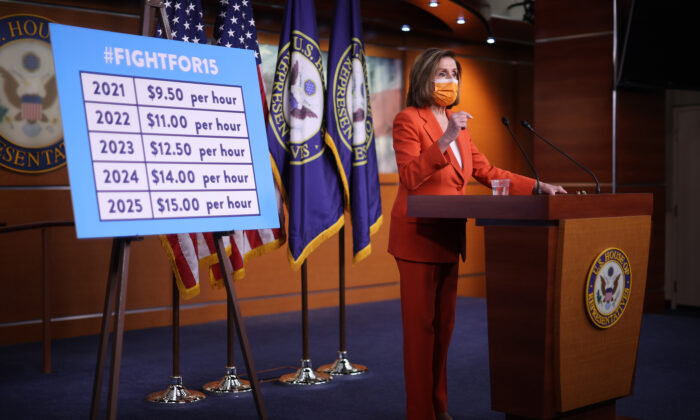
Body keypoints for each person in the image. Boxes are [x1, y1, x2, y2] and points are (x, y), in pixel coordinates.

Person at [388, 48, 566, 420]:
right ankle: (419, 414)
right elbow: (409, 176)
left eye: (454, 74)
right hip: (418, 239)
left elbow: (488, 172)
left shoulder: (457, 124)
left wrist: (537, 186)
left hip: (449, 238)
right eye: (442, 73)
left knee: (443, 332)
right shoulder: (409, 120)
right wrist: (446, 137)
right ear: (424, 77)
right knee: (420, 334)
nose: (449, 81)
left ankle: (439, 408)